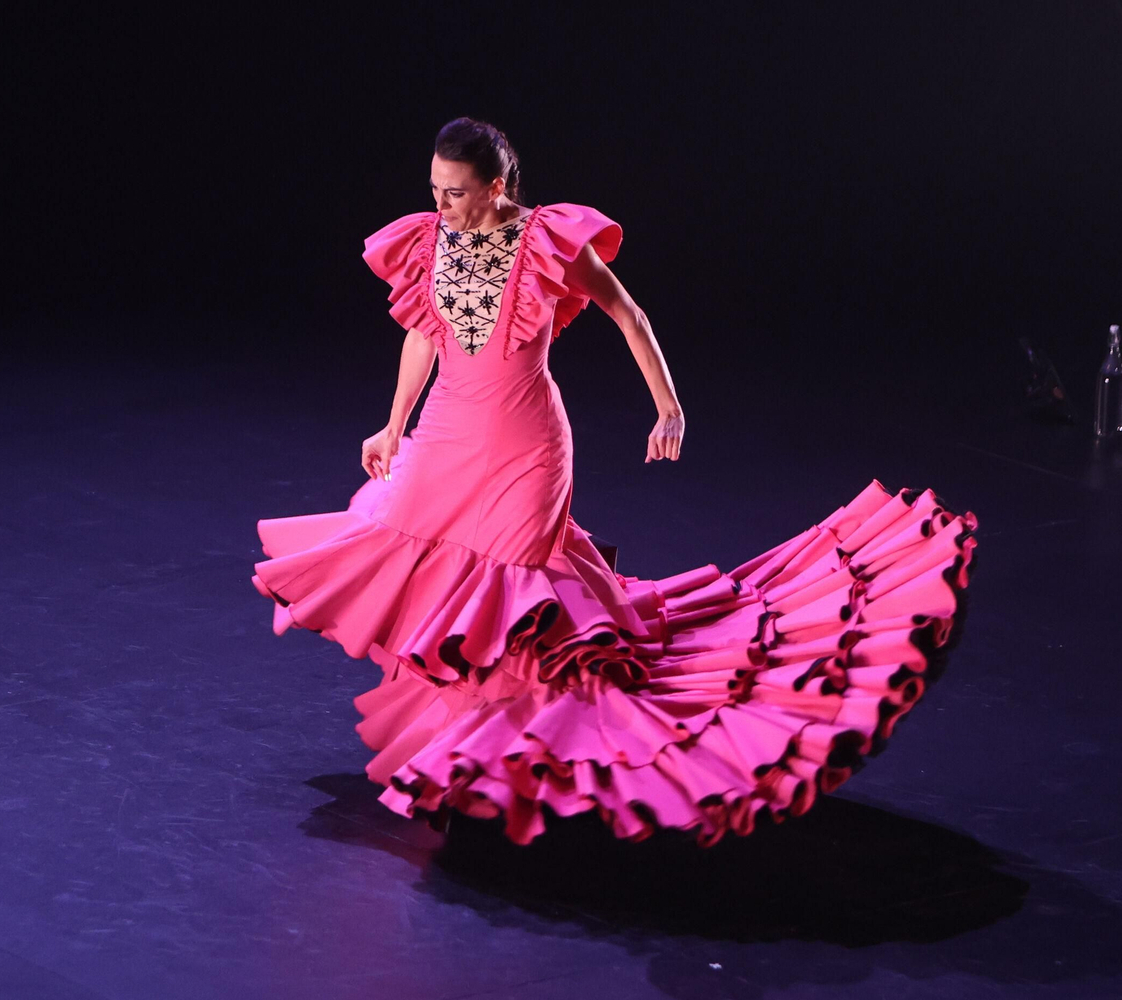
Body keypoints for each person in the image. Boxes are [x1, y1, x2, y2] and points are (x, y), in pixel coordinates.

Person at [252, 117, 978, 847]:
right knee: (423, 574)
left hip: (525, 443)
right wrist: (392, 422)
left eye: (458, 192)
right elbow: (425, 333)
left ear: (497, 186)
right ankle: (469, 757)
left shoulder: (546, 241)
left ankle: (517, 765)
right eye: (435, 189)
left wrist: (669, 406)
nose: (442, 204)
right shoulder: (428, 237)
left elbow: (628, 316)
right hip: (444, 435)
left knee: (515, 599)